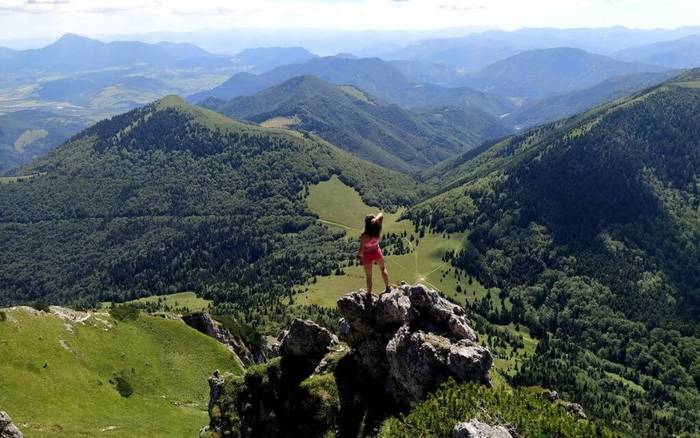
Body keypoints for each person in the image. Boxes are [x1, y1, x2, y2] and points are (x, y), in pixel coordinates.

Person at [357, 213, 390, 295]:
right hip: (376, 251)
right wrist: (376, 219)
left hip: (367, 255)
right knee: (382, 269)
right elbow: (381, 215)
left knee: (369, 277)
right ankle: (387, 287)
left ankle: (369, 294)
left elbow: (361, 250)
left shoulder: (364, 235)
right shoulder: (378, 229)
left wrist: (359, 258)